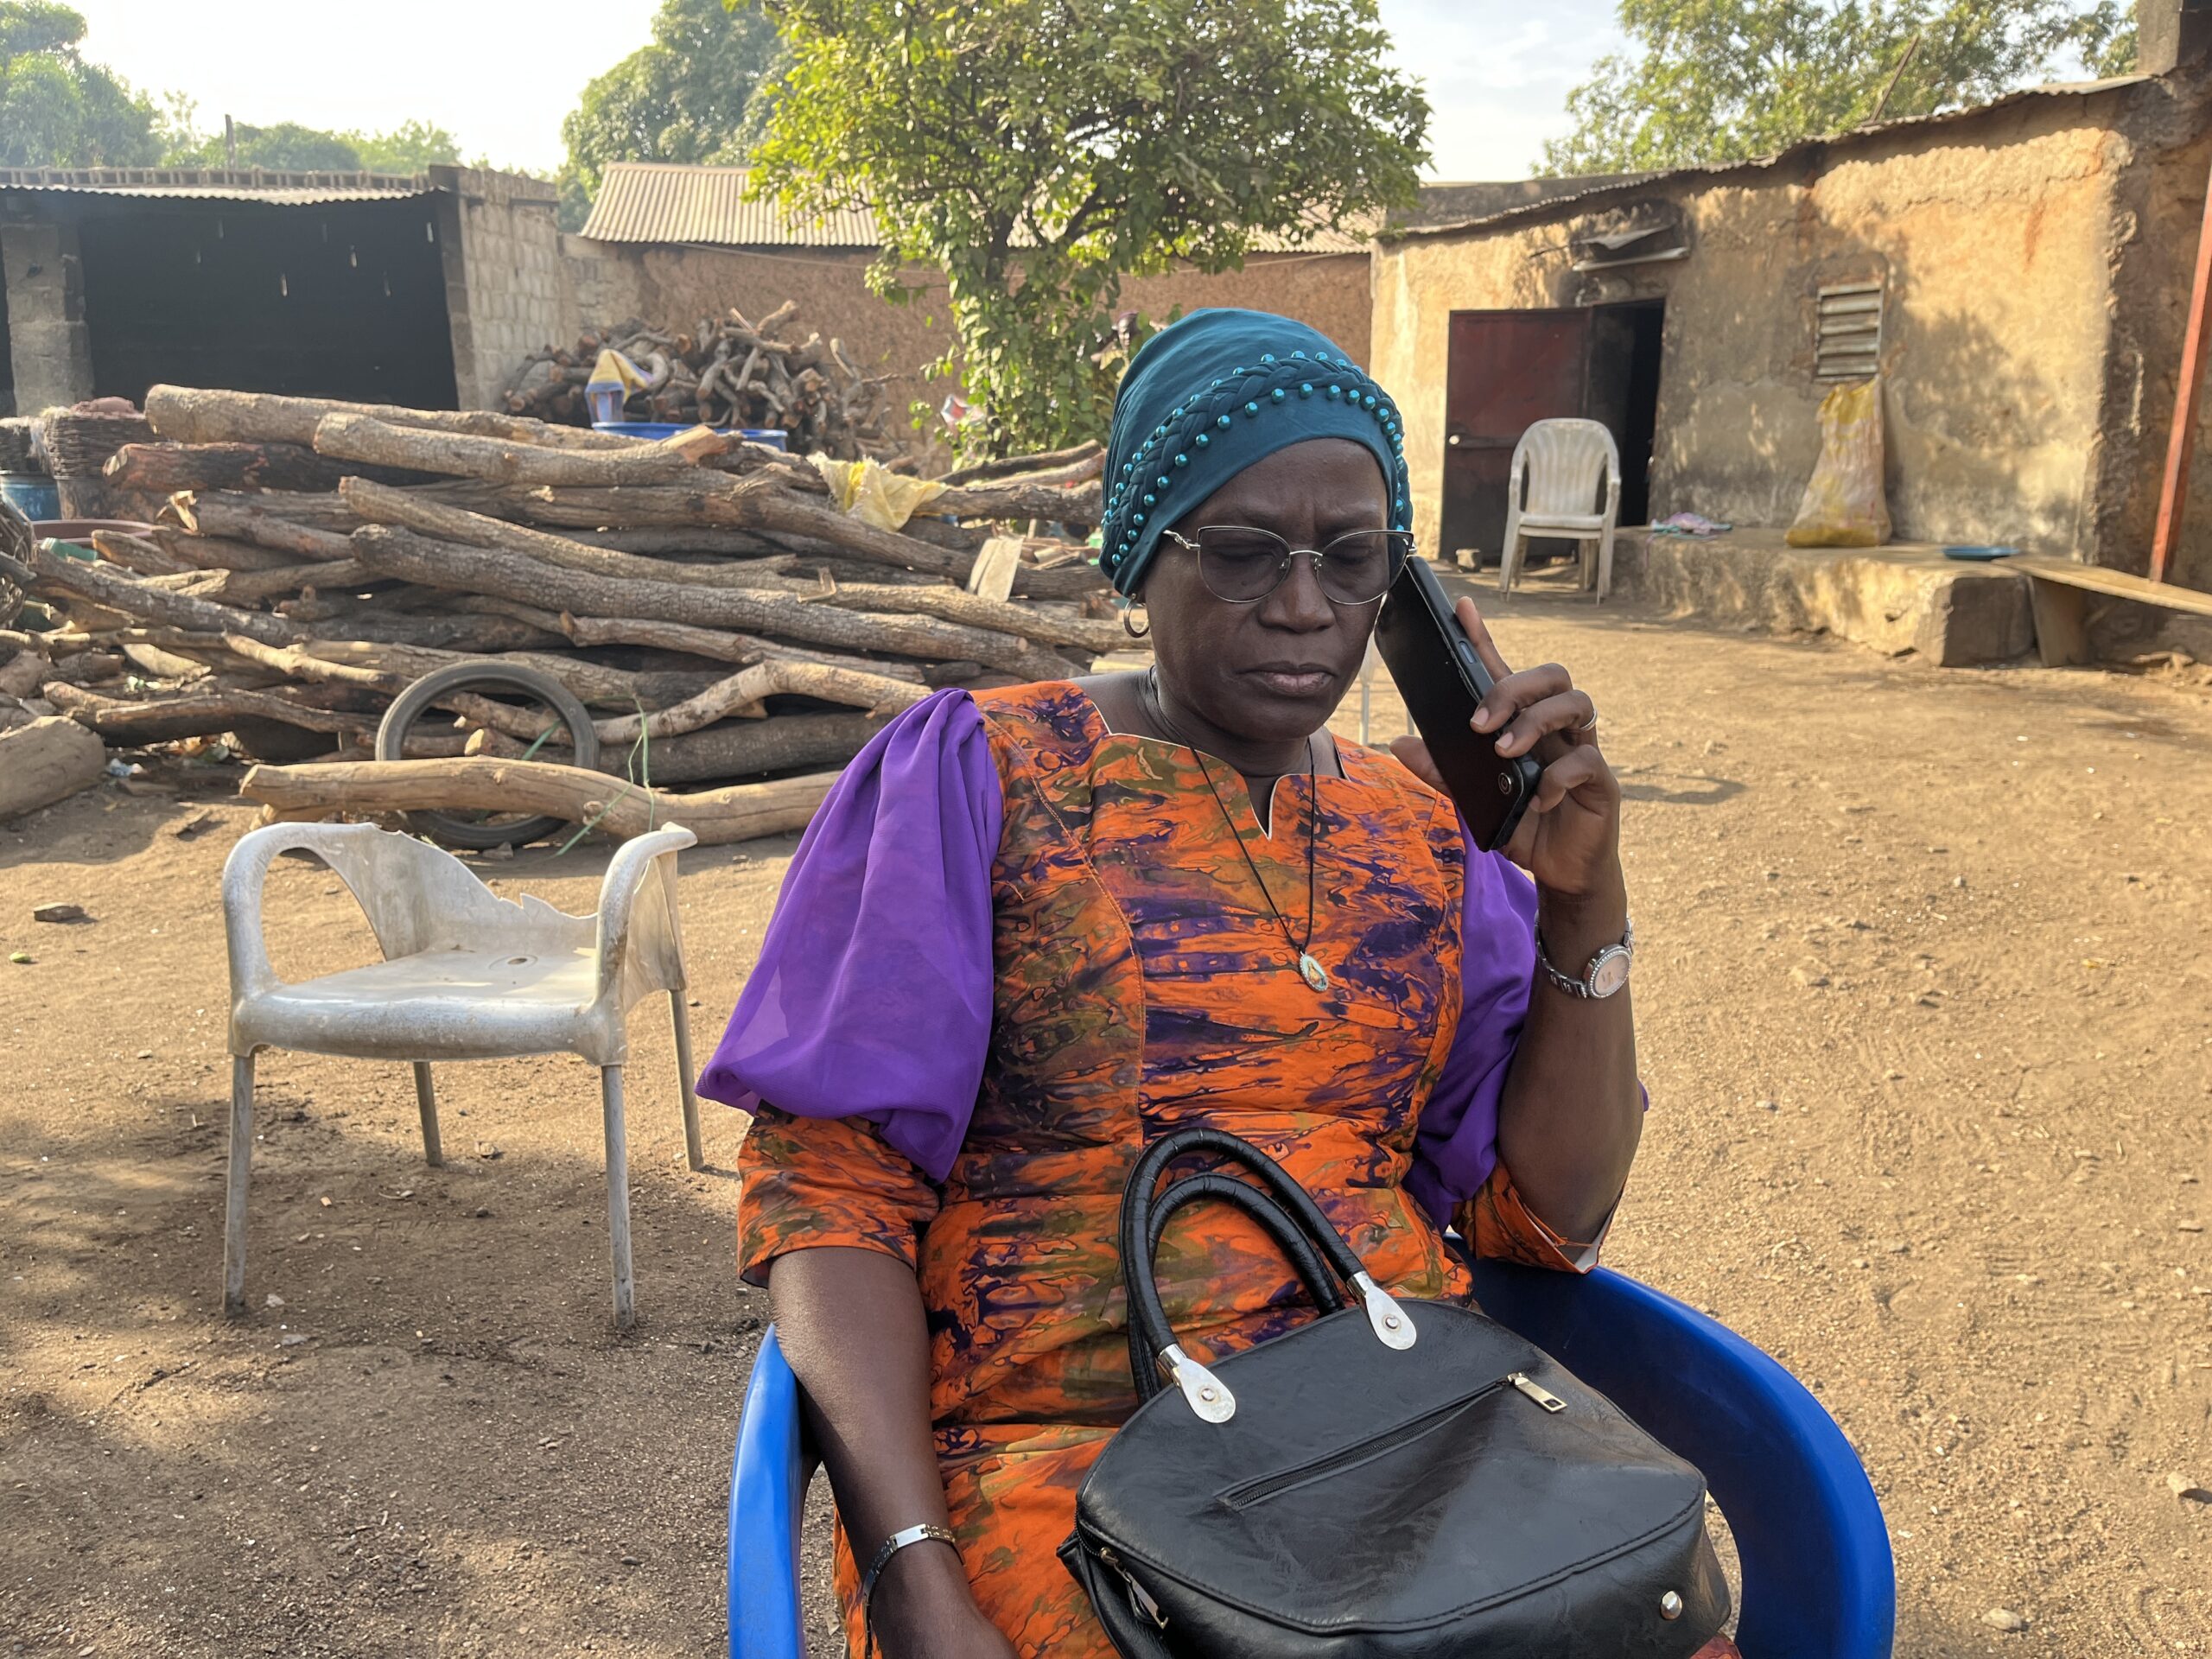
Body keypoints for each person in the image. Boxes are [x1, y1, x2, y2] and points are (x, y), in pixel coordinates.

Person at [702, 309, 1736, 1659]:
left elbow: (1547, 1218)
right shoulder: (981, 777)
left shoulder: (1427, 834)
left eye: (1353, 560)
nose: (1304, 604)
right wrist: (911, 1570)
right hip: (1066, 1460)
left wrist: (1582, 896)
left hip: (1410, 1428)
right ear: (1141, 551)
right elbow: (832, 1190)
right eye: (1243, 551)